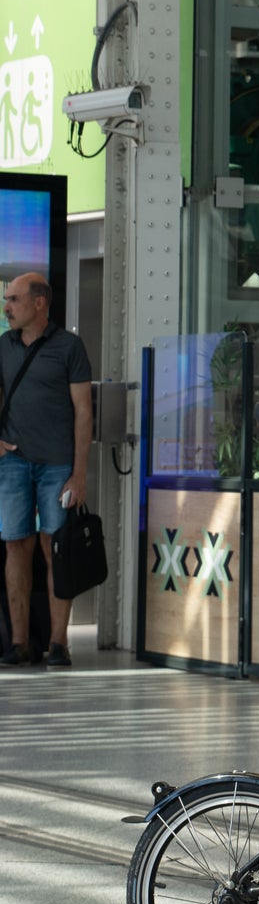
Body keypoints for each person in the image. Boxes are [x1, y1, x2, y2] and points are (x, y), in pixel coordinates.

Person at [0, 274, 92, 668]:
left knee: (55, 549)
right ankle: (20, 643)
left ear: (39, 303)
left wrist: (79, 474)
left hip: (58, 467)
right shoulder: (3, 346)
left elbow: (84, 411)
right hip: (13, 463)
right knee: (15, 546)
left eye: (14, 299)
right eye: (7, 299)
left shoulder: (69, 346)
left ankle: (58, 643)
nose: (7, 307)